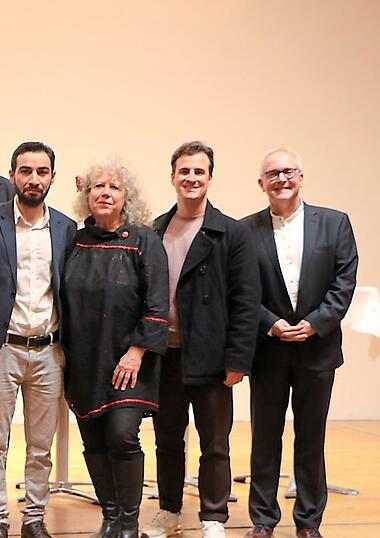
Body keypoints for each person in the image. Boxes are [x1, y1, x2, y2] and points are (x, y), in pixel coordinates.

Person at [143, 142, 261, 538]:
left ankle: (213, 515)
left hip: (210, 358)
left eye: (199, 172)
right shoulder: (156, 229)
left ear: (210, 177)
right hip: (165, 356)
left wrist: (238, 360)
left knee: (214, 443)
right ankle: (169, 512)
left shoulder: (232, 232)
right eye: (184, 171)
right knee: (167, 441)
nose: (191, 178)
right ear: (173, 176)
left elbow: (247, 301)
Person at [241, 148, 358, 538]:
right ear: (261, 184)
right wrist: (270, 323)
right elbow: (241, 291)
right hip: (268, 349)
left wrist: (316, 323)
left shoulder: (335, 223)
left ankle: (308, 521)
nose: (282, 179)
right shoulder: (245, 231)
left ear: (302, 177)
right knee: (265, 437)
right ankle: (263, 519)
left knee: (311, 437)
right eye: (272, 174)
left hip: (317, 349)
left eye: (289, 171)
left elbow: (344, 282)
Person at [62, 160, 169, 538]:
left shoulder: (144, 240)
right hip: (83, 361)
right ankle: (109, 515)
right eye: (98, 187)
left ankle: (128, 520)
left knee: (122, 435)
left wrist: (137, 351)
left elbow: (157, 305)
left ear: (127, 198)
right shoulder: (73, 241)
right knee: (93, 439)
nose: (105, 192)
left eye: (114, 187)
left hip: (129, 361)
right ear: (87, 196)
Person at [0, 142, 75, 538]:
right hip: (3, 349)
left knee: (40, 446)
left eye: (41, 171)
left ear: (52, 176)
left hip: (49, 351)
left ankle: (34, 517)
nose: (33, 179)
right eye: (25, 171)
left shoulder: (66, 227)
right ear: (13, 174)